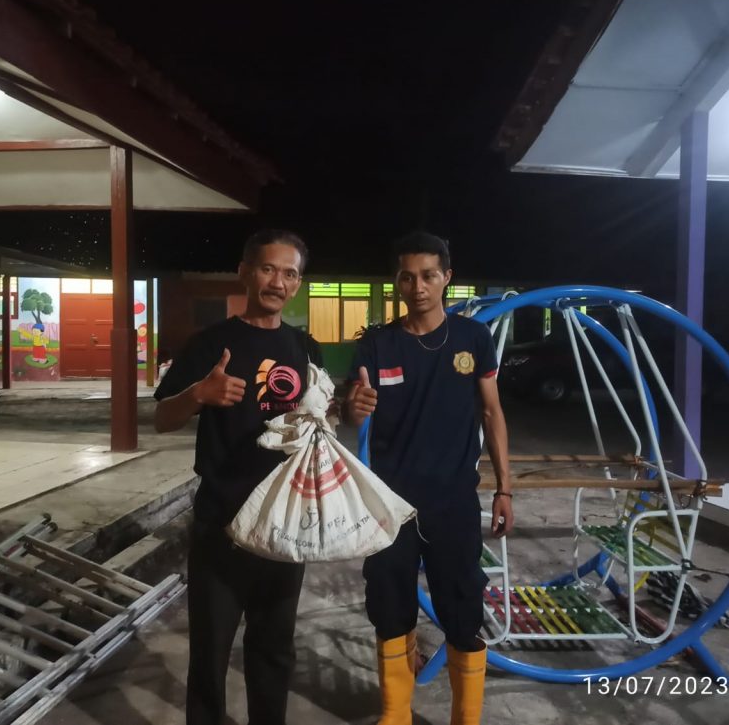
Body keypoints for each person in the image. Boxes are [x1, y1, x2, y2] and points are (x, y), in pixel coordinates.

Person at [343, 231, 514, 725]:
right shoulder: (377, 344)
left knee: (462, 610)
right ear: (396, 282)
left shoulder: (473, 339)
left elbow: (492, 413)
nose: (417, 287)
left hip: (453, 501)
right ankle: (395, 715)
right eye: (407, 277)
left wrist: (504, 488)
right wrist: (353, 408)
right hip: (389, 505)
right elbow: (352, 412)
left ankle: (466, 718)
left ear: (446, 278)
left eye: (428, 276)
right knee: (389, 606)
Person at [154, 229, 321, 725]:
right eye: (268, 269)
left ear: (298, 283)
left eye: (290, 273)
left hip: (285, 522)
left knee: (274, 648)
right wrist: (197, 395)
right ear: (245, 272)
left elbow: (318, 421)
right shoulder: (210, 344)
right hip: (222, 519)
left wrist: (348, 410)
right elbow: (162, 418)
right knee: (210, 650)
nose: (278, 282)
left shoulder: (305, 347)